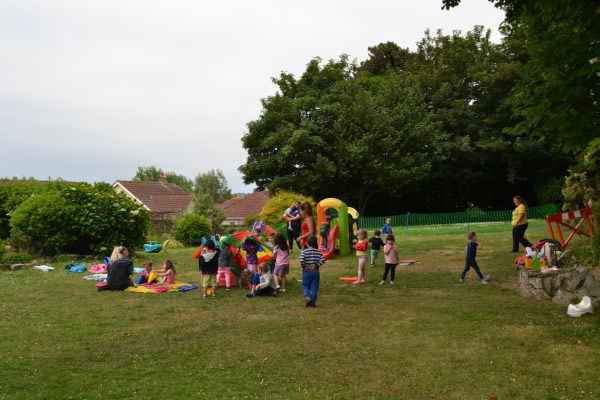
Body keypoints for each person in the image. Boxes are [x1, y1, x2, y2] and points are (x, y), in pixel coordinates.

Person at [299, 235, 326, 307]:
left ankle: (307, 297)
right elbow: (323, 260)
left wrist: (303, 266)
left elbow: (301, 259)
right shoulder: (318, 252)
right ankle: (313, 301)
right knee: (314, 287)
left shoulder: (304, 252)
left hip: (306, 272)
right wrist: (316, 265)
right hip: (316, 272)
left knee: (305, 285)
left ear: (307, 243)